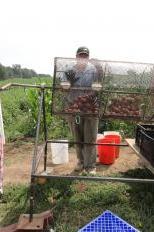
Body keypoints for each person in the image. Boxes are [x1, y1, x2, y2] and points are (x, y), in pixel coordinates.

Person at [61, 46, 102, 174]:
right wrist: (66, 86)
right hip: (73, 108)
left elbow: (97, 86)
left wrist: (89, 94)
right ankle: (81, 161)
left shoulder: (93, 70)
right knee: (77, 136)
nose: (82, 58)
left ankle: (90, 166)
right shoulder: (69, 70)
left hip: (90, 108)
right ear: (76, 57)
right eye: (80, 55)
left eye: (85, 56)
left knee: (90, 137)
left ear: (88, 57)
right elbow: (62, 85)